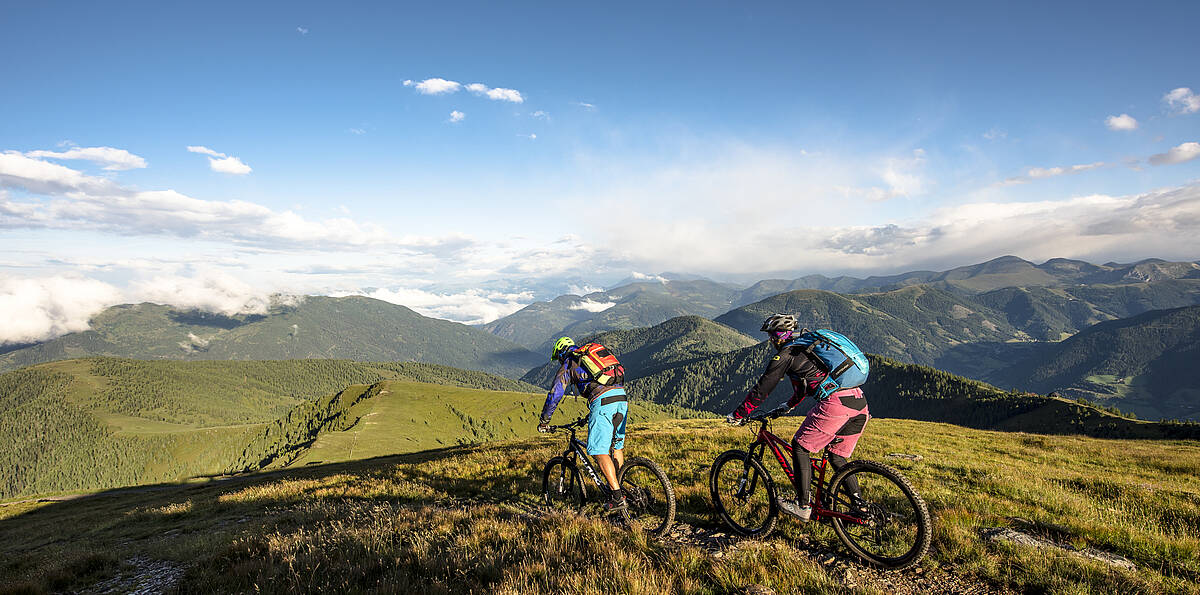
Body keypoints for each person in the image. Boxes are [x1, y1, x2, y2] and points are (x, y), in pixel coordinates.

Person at [725, 314, 869, 521]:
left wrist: (739, 414)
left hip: (836, 404)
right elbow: (804, 385)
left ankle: (803, 505)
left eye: (772, 335)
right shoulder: (807, 350)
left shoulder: (785, 355)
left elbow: (762, 389)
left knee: (800, 446)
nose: (771, 340)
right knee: (837, 456)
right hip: (858, 402)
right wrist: (788, 406)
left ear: (779, 336)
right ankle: (860, 507)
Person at [538, 336, 629, 511]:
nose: (559, 361)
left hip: (603, 401)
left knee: (598, 450)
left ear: (561, 353)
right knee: (616, 446)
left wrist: (544, 421)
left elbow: (555, 394)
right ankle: (620, 487)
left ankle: (617, 497)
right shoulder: (588, 353)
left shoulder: (569, 363)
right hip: (621, 397)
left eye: (558, 358)